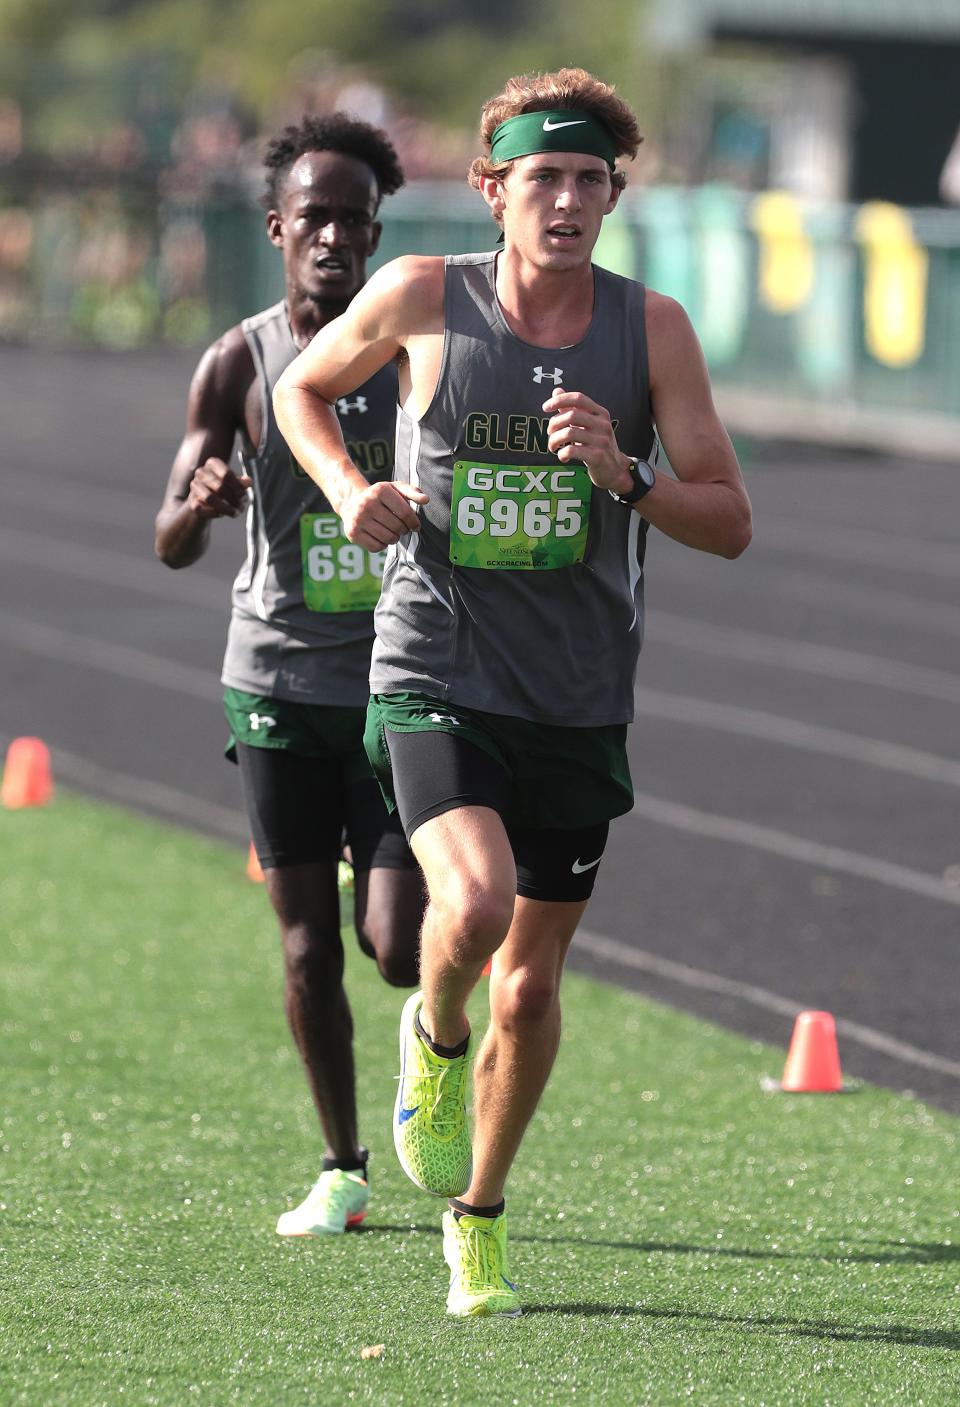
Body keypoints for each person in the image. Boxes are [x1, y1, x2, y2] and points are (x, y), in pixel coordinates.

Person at [274, 68, 752, 1314]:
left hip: (579, 695)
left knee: (533, 986)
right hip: (437, 661)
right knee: (473, 903)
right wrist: (344, 487)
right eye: (544, 176)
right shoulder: (427, 295)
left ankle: (477, 1215)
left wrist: (625, 472)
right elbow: (301, 388)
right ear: (493, 188)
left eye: (591, 179)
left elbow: (733, 521)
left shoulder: (652, 332)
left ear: (612, 194)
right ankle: (433, 1035)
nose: (569, 200)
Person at [154, 113, 424, 1238]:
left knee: (400, 946)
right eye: (314, 217)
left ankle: (436, 1034)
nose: (334, 238)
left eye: (355, 220)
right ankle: (342, 1168)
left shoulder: (416, 355)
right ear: (277, 226)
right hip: (271, 680)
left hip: (400, 680)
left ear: (375, 234)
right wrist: (202, 502)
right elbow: (167, 535)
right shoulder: (241, 358)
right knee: (309, 944)